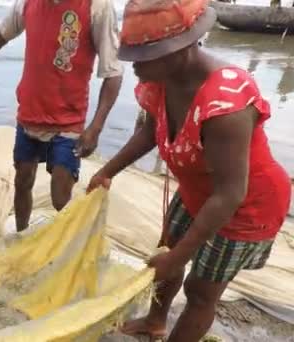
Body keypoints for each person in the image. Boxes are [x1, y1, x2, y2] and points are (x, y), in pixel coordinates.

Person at [86, 0, 291, 341]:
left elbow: (230, 194)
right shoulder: (161, 81)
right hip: (197, 189)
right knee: (167, 253)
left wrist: (182, 255)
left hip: (245, 206)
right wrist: (107, 171)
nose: (134, 67)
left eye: (142, 57)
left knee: (200, 291)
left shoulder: (225, 104)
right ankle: (155, 321)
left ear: (177, 51)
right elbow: (151, 131)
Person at [0, 0, 123, 232]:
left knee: (60, 198)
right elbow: (1, 35)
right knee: (22, 181)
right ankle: (22, 237)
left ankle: (70, 242)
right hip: (29, 115)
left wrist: (95, 128)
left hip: (68, 122)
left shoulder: (97, 7)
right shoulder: (28, 3)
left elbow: (113, 73)